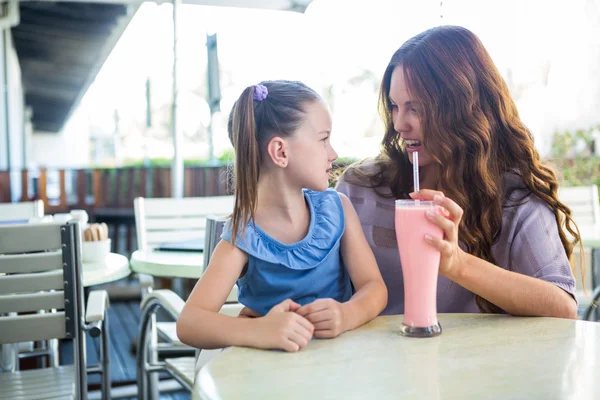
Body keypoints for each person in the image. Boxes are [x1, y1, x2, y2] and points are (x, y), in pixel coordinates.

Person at [336, 25, 580, 318]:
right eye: (394, 106)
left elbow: (562, 306)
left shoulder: (515, 199)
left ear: (465, 110)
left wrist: (458, 264)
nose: (400, 124)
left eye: (417, 108)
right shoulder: (359, 189)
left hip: (476, 363)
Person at [177, 80, 387, 353]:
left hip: (341, 371)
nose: (333, 154)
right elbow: (189, 323)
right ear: (280, 151)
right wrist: (260, 330)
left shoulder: (339, 210)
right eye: (323, 139)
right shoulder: (243, 237)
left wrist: (347, 315)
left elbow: (375, 288)